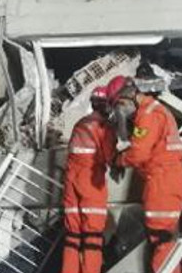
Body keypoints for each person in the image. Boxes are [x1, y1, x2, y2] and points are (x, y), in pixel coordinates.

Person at [106, 75, 182, 273]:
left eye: (120, 108)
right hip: (168, 181)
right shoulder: (156, 110)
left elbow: (138, 154)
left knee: (161, 244)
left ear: (124, 100)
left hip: (162, 184)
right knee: (167, 243)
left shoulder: (147, 114)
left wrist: (117, 160)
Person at [60, 86, 117, 273]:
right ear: (107, 105)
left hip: (71, 180)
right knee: (92, 235)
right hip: (91, 180)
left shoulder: (80, 124)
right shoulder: (104, 127)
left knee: (72, 235)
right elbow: (110, 157)